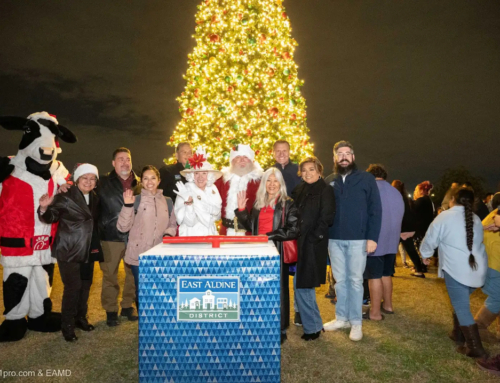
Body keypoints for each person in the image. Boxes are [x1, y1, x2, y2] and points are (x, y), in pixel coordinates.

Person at [323, 140, 382, 342]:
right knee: (340, 281)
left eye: (348, 153)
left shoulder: (366, 179)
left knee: (356, 281)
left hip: (358, 240)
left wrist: (372, 238)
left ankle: (356, 322)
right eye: (340, 153)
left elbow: (376, 210)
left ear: (353, 157)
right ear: (335, 158)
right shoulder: (329, 180)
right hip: (334, 240)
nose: (344, 156)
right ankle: (342, 318)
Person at [235, 167, 300, 343]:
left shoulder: (287, 203)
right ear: (264, 183)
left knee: (278, 290)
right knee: (258, 287)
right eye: (268, 181)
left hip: (276, 250)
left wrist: (268, 236)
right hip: (258, 251)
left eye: (275, 180)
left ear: (281, 183)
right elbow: (251, 226)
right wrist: (241, 210)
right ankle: (260, 323)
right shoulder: (259, 203)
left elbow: (293, 229)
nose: (272, 184)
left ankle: (280, 328)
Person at [420, 187, 487, 358]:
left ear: (452, 200)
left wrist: (425, 255)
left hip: (456, 269)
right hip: (477, 270)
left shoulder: (445, 216)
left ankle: (475, 348)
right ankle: (458, 333)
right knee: (460, 301)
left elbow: (430, 238)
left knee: (461, 306)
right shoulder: (476, 218)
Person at [38, 164, 102, 342]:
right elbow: (51, 217)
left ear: (96, 182)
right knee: (73, 287)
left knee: (86, 285)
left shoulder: (96, 198)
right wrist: (44, 208)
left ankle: (80, 318)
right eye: (84, 178)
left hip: (89, 248)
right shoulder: (65, 196)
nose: (88, 182)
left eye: (92, 178)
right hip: (69, 249)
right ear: (77, 180)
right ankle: (67, 325)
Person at [117, 165, 177, 309]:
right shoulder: (135, 200)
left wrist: (168, 233)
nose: (149, 182)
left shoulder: (168, 201)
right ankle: (144, 324)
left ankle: (159, 321)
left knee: (161, 289)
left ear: (159, 180)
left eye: (153, 178)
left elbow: (173, 223)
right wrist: (127, 206)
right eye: (145, 178)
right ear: (141, 182)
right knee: (142, 291)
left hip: (160, 254)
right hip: (140, 254)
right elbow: (123, 227)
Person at [291, 157, 335, 341]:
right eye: (304, 170)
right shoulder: (299, 189)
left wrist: (312, 238)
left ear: (319, 171)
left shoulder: (325, 190)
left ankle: (313, 327)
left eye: (311, 169)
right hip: (296, 243)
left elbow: (327, 218)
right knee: (298, 283)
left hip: (311, 245)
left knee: (304, 285)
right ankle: (307, 320)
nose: (307, 173)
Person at [99, 148, 141, 326]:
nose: (125, 162)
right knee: (110, 275)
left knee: (133, 274)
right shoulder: (102, 183)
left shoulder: (141, 182)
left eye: (128, 159)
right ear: (113, 163)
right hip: (110, 236)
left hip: (134, 237)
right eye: (120, 159)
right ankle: (110, 310)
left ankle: (126, 306)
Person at [363, 165, 404, 321]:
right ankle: (388, 305)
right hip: (392, 241)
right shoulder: (396, 192)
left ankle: (374, 313)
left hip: (376, 240)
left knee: (374, 276)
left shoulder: (371, 191)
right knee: (386, 274)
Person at [215, 144, 263, 235]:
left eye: (245, 157)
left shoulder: (260, 181)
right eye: (238, 157)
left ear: (251, 161)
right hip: (225, 233)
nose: (242, 160)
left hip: (250, 233)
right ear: (232, 161)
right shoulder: (221, 181)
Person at [174, 148, 222, 236]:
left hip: (210, 235)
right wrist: (189, 204)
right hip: (191, 236)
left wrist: (205, 209)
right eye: (197, 173)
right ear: (192, 175)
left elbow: (218, 216)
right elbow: (189, 222)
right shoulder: (184, 191)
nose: (200, 177)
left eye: (204, 173)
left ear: (209, 175)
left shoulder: (213, 189)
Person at [473, 202, 500, 343]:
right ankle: (477, 327)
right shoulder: (496, 213)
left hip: (489, 258)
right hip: (494, 260)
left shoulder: (495, 211)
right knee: (498, 296)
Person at [392, 180, 426, 278]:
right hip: (408, 227)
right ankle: (419, 269)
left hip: (400, 227)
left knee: (392, 249)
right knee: (411, 249)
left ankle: (390, 270)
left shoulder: (395, 198)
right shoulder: (407, 199)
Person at [413, 181, 435, 250]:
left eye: (416, 190)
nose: (415, 192)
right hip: (427, 229)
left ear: (421, 191)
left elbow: (413, 213)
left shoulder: (420, 201)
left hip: (420, 230)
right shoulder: (428, 200)